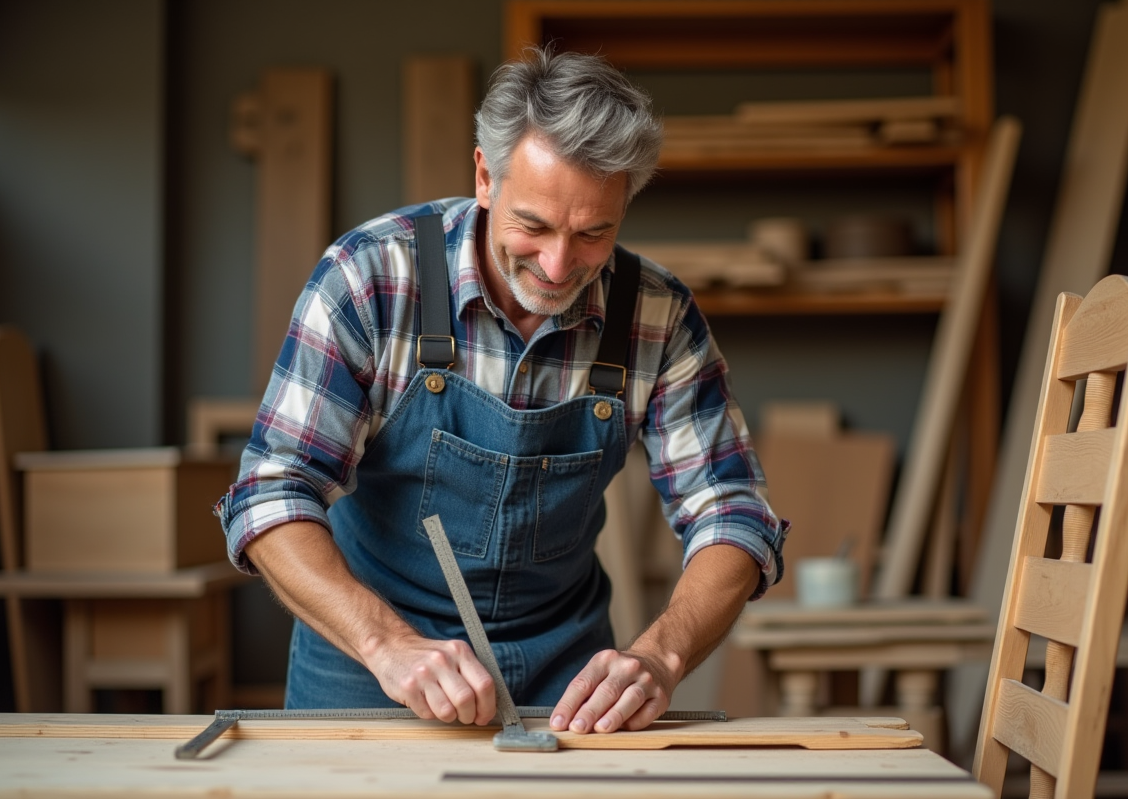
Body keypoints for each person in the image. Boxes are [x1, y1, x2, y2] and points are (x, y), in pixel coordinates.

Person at [217, 44, 786, 736]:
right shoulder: (371, 279)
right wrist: (387, 645)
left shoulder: (656, 316)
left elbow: (732, 512)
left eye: (593, 233)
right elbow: (273, 492)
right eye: (533, 226)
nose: (557, 265)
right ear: (485, 176)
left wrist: (661, 657)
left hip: (568, 679)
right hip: (368, 661)